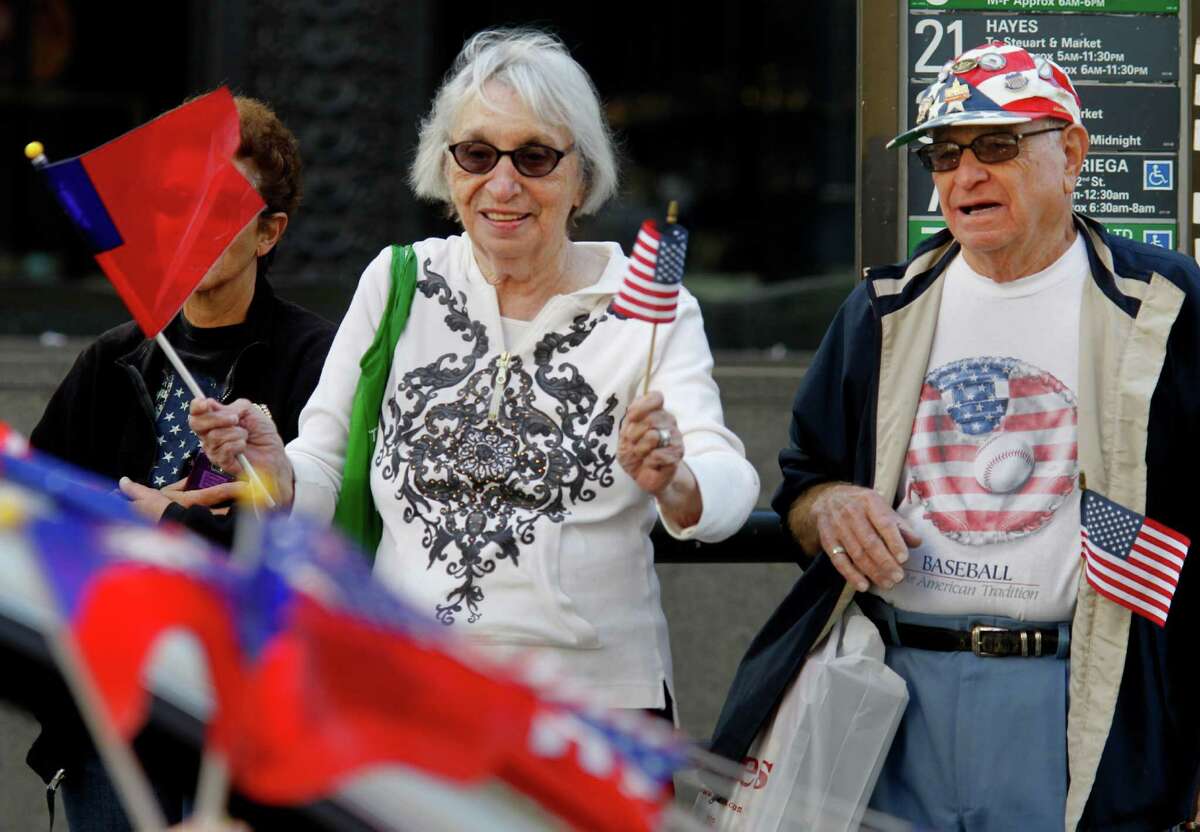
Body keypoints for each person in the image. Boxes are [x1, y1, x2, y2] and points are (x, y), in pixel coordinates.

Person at [190, 28, 758, 719]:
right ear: (447, 169)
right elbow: (324, 466)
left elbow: (726, 481)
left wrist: (678, 478)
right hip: (409, 697)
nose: (503, 182)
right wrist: (273, 468)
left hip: (588, 717)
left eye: (536, 156)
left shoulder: (648, 304)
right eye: (478, 154)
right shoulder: (399, 281)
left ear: (581, 178)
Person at [710, 41, 1200, 830]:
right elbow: (804, 484)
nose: (965, 175)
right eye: (944, 154)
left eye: (996, 146)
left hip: (1081, 690)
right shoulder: (882, 312)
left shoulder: (1165, 307)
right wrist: (831, 505)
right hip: (897, 690)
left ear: (1070, 151)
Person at [27, 95, 335, 828]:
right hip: (119, 712)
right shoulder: (114, 358)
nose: (192, 221)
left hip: (251, 714)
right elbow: (39, 508)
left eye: (220, 203)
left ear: (269, 233)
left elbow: (322, 542)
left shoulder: (317, 359)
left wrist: (180, 524)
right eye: (178, 200)